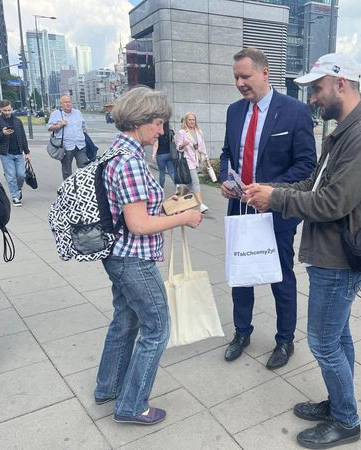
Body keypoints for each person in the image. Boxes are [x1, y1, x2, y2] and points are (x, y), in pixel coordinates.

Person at [244, 53, 361, 448]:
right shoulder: (345, 131)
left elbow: (332, 203)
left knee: (324, 343)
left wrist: (276, 199)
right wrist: (271, 190)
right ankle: (339, 403)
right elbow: (313, 182)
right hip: (331, 253)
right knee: (338, 337)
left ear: (341, 84)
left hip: (339, 258)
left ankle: (346, 421)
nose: (312, 98)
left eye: (317, 88)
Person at [94, 86, 203, 425]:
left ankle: (108, 387)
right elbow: (138, 224)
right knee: (157, 329)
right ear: (138, 121)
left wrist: (166, 205)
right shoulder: (129, 162)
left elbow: (131, 211)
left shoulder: (116, 152)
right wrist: (185, 217)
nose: (161, 131)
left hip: (118, 254)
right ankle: (131, 405)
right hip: (134, 260)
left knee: (125, 321)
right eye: (157, 123)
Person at [219, 47, 316, 369]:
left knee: (281, 278)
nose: (239, 83)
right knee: (240, 276)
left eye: (245, 76)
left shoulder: (295, 111)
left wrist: (269, 190)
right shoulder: (234, 111)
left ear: (264, 73)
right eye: (236, 77)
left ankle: (285, 340)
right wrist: (226, 178)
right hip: (240, 208)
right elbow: (226, 153)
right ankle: (241, 333)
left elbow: (306, 164)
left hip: (276, 211)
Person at [0, 100, 31, 207]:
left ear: (12, 109)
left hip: (19, 152)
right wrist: (2, 133)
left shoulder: (17, 121)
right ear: (1, 109)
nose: (7, 112)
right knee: (11, 176)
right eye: (5, 110)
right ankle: (15, 197)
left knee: (21, 174)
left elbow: (23, 137)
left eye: (9, 110)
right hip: (6, 153)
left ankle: (18, 189)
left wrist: (27, 152)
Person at [175, 112, 210, 213]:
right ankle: (201, 204)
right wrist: (183, 144)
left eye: (193, 120)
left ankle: (179, 203)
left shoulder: (199, 132)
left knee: (188, 185)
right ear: (186, 121)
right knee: (195, 182)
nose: (191, 121)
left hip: (196, 160)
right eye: (189, 119)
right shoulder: (182, 132)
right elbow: (178, 148)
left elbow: (202, 147)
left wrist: (207, 159)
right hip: (187, 160)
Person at [47, 95, 87, 180]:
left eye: (69, 102)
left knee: (84, 166)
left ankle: (82, 184)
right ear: (61, 104)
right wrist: (59, 125)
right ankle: (68, 186)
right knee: (67, 170)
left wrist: (84, 132)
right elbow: (49, 127)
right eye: (65, 102)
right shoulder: (56, 114)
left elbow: (83, 126)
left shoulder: (77, 112)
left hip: (80, 145)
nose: (68, 104)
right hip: (66, 146)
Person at [152, 120, 175, 188]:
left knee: (162, 172)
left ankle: (161, 187)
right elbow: (174, 142)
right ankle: (177, 185)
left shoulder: (158, 132)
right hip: (169, 154)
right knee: (171, 171)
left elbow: (156, 145)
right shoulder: (171, 131)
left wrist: (153, 155)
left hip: (160, 155)